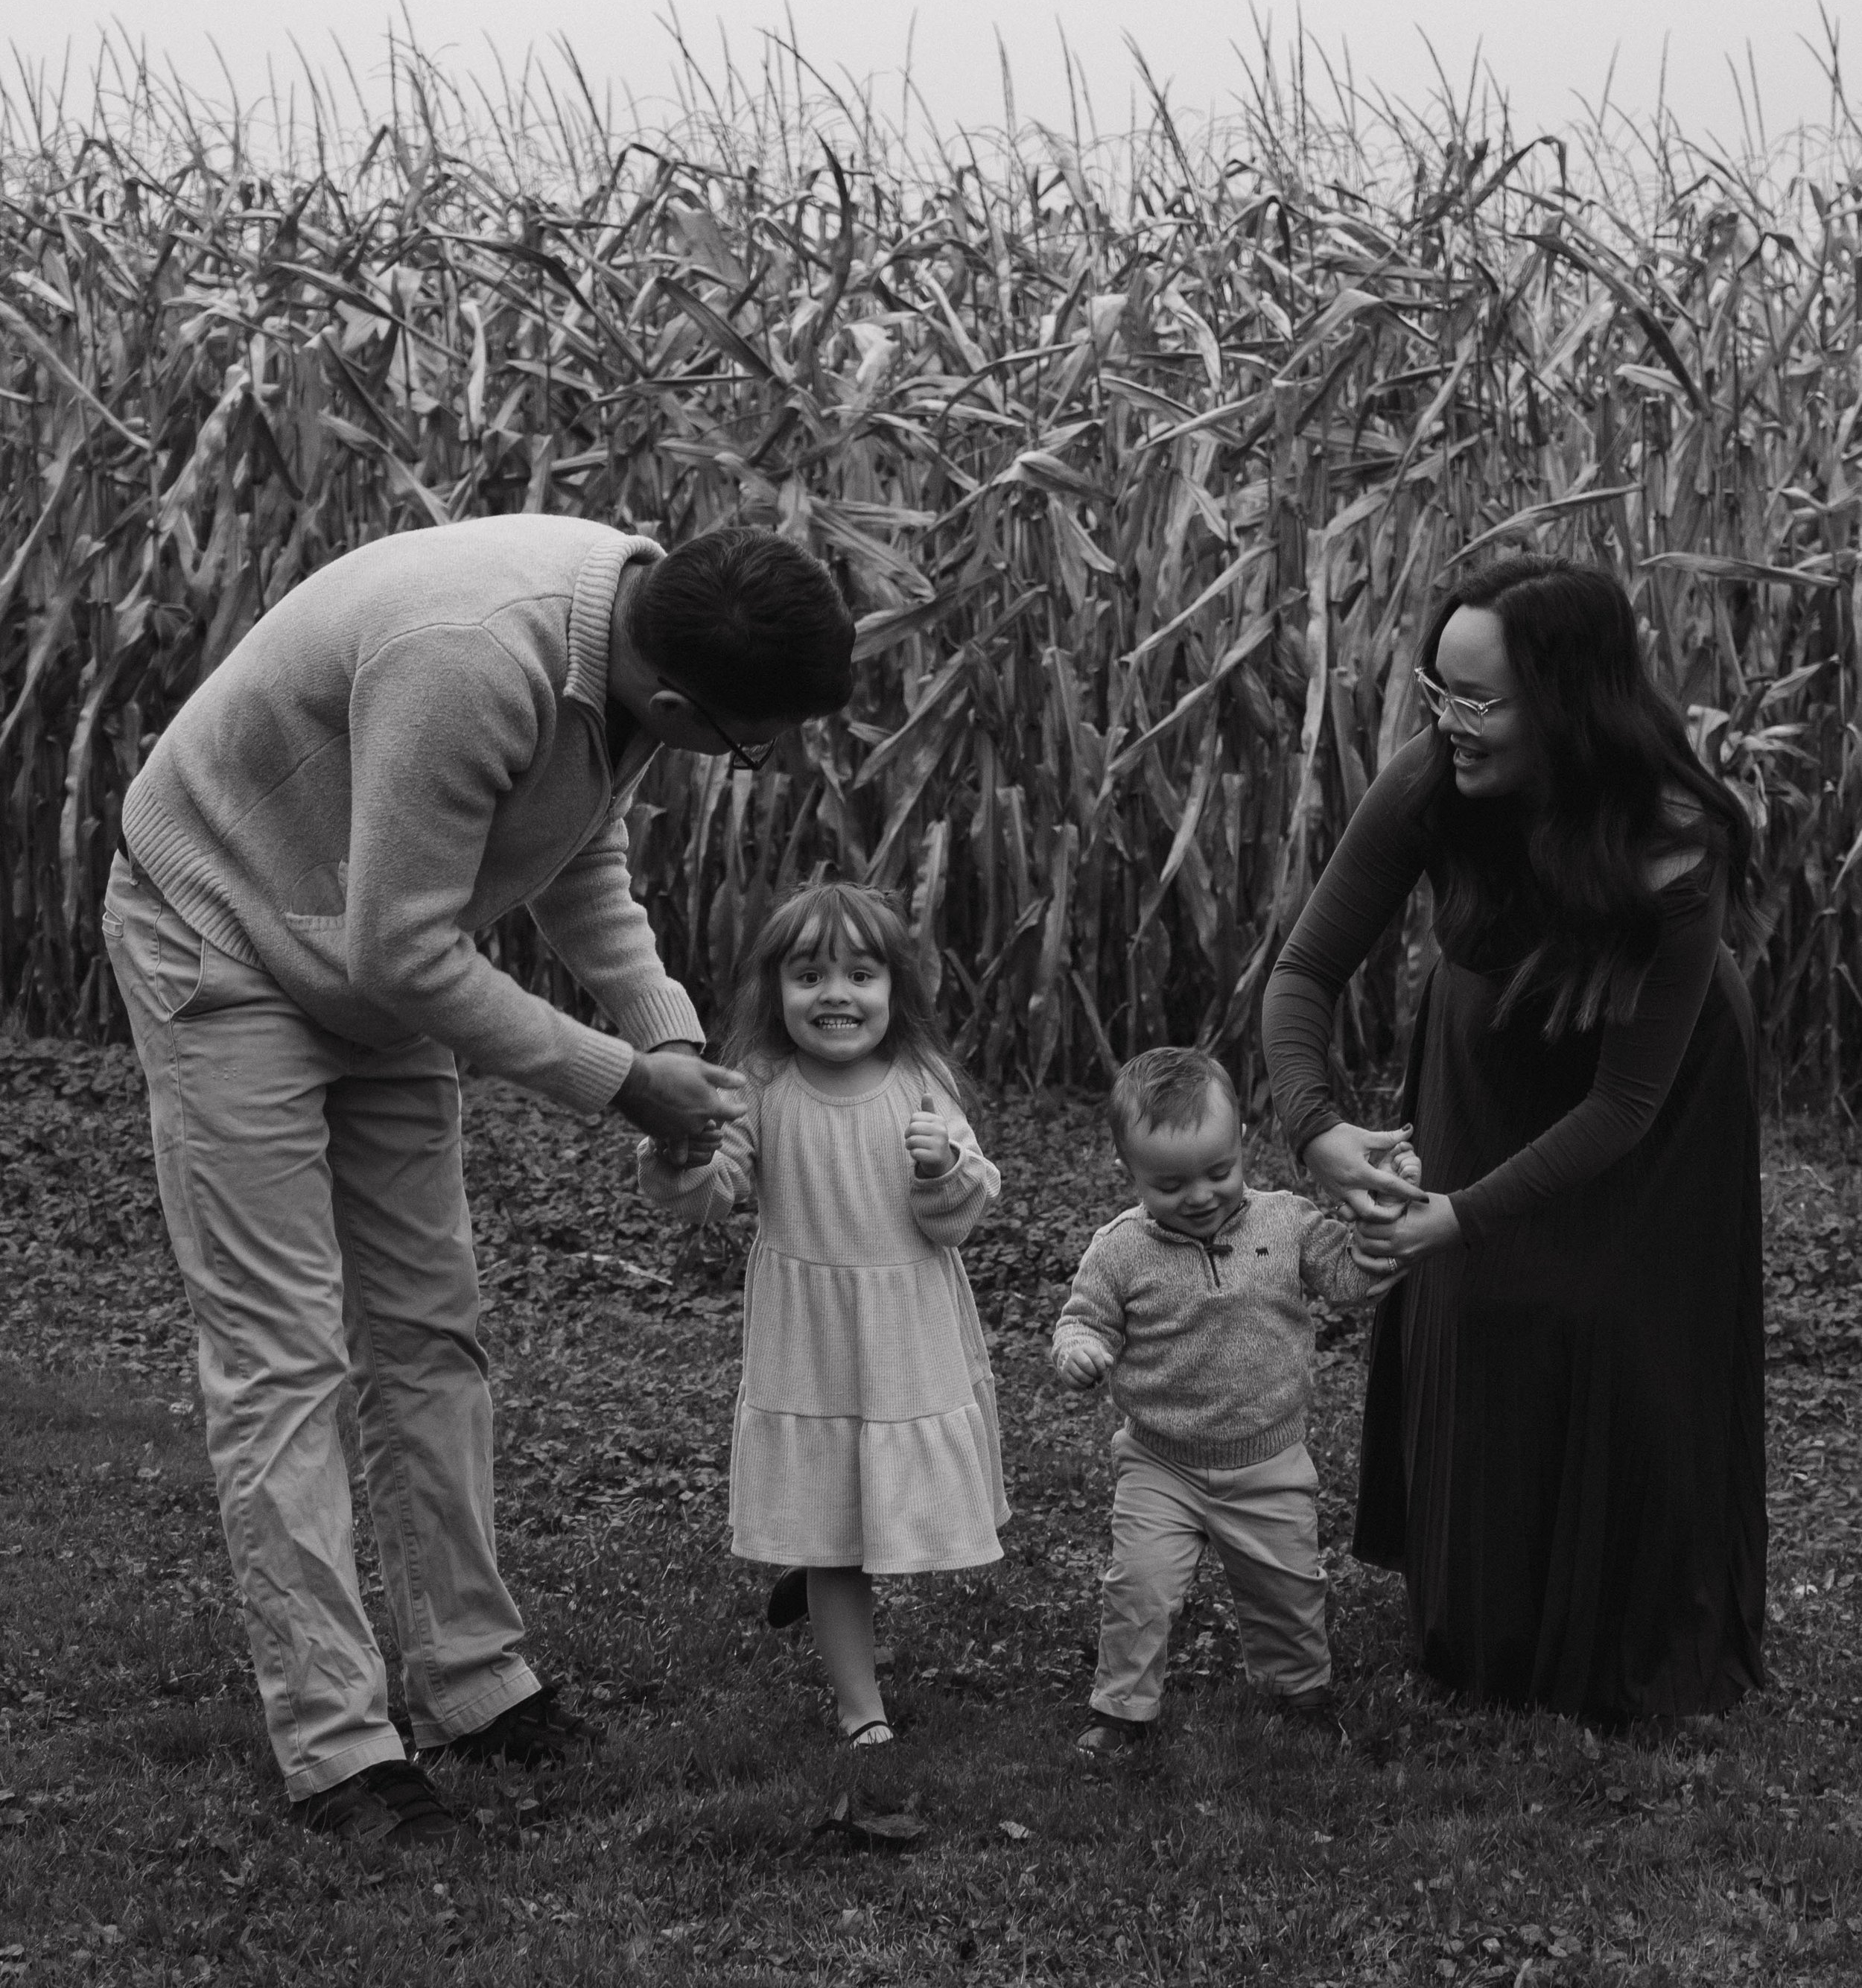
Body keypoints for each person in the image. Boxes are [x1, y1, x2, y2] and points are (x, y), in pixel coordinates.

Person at [103, 518, 854, 1845]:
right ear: (673, 699)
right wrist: (626, 1082)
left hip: (368, 950)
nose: (765, 763)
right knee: (284, 1357)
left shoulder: (632, 627)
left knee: (431, 1332)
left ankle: (472, 1679)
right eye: (752, 744)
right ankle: (340, 1749)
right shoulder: (470, 659)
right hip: (224, 934)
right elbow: (404, 955)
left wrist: (667, 1033)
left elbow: (576, 857)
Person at [1262, 552, 1764, 1721]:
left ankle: (1634, 1619)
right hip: (1488, 1046)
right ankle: (1482, 1607)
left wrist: (1458, 1212)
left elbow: (1624, 1108)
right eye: (1437, 693)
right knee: (1481, 1310)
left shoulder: (1675, 843)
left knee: (1612, 1317)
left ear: (1570, 703)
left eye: (1478, 701)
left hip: (1652, 1083)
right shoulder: (1430, 782)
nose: (1449, 723)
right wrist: (1319, 1127)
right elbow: (1303, 973)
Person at [637, 881, 1007, 1748]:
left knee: (886, 1500)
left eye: (860, 974)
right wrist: (679, 1154)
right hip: (809, 1338)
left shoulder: (922, 1083)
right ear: (775, 993)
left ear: (894, 991)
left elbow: (958, 1216)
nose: (835, 994)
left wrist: (938, 1169)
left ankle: (823, 1574)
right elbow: (713, 1196)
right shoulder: (762, 1085)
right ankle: (860, 1706)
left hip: (906, 1330)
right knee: (837, 1529)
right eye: (808, 975)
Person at [1049, 1048, 1410, 1754]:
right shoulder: (1120, 1251)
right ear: (1130, 1173)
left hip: (1269, 1456)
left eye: (1219, 1171)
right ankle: (1123, 1708)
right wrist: (1079, 1349)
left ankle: (1295, 1687)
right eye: (1172, 1182)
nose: (1202, 1194)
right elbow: (1082, 1318)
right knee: (1141, 1586)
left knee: (1287, 1585)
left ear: (1243, 1141)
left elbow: (1349, 1276)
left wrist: (1388, 1215)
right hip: (1162, 1460)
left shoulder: (1286, 1222)